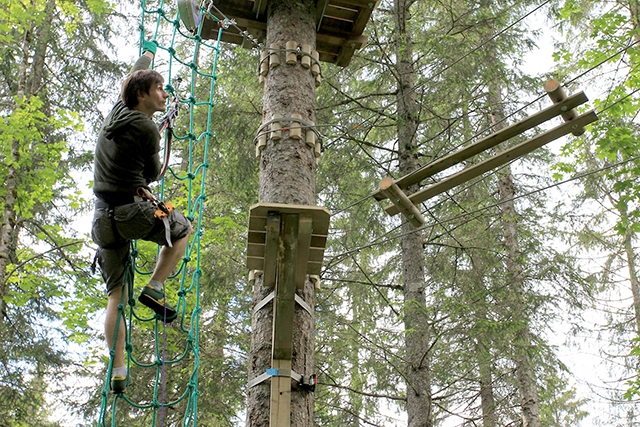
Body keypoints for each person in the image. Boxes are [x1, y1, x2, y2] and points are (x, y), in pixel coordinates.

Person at [90, 40, 192, 394]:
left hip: (102, 218)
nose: (164, 94)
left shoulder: (115, 112)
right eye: (159, 88)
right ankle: (155, 286)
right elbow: (153, 173)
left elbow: (132, 74)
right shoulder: (147, 129)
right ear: (142, 94)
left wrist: (146, 57)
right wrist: (163, 129)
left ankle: (118, 369)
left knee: (115, 295)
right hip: (133, 210)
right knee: (182, 228)